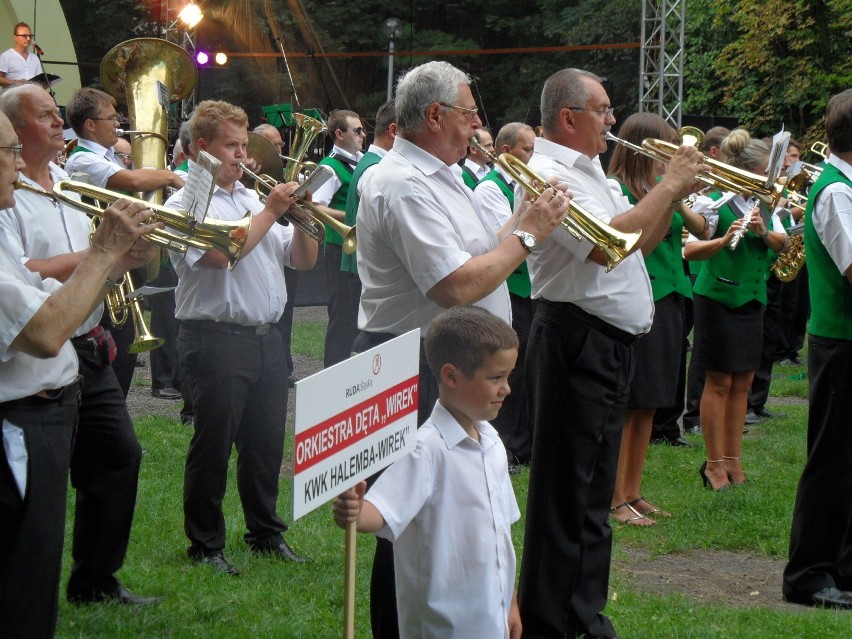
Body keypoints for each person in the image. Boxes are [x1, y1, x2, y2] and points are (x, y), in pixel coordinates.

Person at [354, 60, 569, 639]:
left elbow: (480, 257)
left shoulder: (445, 174)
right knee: (403, 523)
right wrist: (529, 236)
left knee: (452, 511)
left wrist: (526, 218)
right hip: (411, 365)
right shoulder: (400, 182)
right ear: (435, 115)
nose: (478, 127)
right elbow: (454, 287)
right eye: (471, 114)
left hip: (446, 360)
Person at [517, 68, 706, 639]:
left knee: (593, 497)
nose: (613, 119)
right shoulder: (546, 172)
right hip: (576, 338)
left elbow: (638, 245)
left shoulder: (594, 170)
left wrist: (670, 196)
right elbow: (604, 250)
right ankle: (554, 623)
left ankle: (584, 616)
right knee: (565, 495)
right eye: (602, 109)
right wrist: (668, 186)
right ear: (569, 117)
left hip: (604, 342)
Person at [0, 108, 160, 638]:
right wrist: (102, 252)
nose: (17, 163)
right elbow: (40, 321)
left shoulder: (64, 183)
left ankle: (95, 577)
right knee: (25, 567)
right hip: (25, 395)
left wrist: (117, 260)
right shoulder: (10, 208)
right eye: (10, 151)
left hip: (73, 367)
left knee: (111, 465)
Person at [166, 100, 317, 576]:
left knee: (265, 443)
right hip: (215, 338)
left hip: (266, 337)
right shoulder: (184, 204)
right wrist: (273, 211)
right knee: (214, 443)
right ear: (201, 148)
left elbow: (301, 261)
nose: (241, 155)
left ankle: (265, 533)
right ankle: (205, 545)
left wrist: (307, 219)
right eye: (231, 146)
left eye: (243, 144)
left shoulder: (251, 199)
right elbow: (220, 256)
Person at [333, 305, 523, 639]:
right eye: (495, 378)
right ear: (451, 376)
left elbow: (500, 539)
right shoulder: (425, 451)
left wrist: (509, 602)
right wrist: (354, 511)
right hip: (441, 626)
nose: (506, 388)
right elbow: (381, 512)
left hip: (490, 621)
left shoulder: (492, 444)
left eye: (507, 376)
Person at [606, 113, 711, 525]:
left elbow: (698, 230)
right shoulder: (620, 191)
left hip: (671, 296)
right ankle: (615, 497)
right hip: (643, 294)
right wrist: (668, 194)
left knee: (650, 402)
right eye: (666, 147)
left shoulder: (658, 190)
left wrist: (677, 193)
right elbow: (640, 247)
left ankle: (633, 491)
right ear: (645, 148)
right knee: (632, 403)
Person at [683, 128, 787, 491]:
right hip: (718, 299)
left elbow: (782, 243)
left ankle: (733, 460)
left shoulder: (765, 203)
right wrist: (723, 240)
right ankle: (713, 464)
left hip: (753, 299)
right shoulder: (714, 201)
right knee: (720, 381)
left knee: (744, 380)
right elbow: (690, 250)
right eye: (762, 173)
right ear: (744, 171)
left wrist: (760, 232)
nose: (767, 180)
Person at [64, 87, 185, 396]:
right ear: (90, 124)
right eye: (111, 117)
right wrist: (170, 177)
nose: (117, 122)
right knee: (113, 340)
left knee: (124, 339)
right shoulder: (82, 160)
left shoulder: (106, 157)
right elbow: (131, 182)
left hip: (120, 258)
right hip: (102, 260)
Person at [782, 88, 852, 611]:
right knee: (831, 459)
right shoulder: (835, 193)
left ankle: (845, 565)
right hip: (840, 342)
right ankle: (808, 573)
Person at [473, 122, 537, 469]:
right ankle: (507, 443)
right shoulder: (490, 189)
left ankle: (525, 442)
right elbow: (509, 240)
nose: (534, 157)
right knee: (509, 369)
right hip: (510, 286)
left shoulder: (522, 184)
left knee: (528, 370)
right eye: (528, 150)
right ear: (507, 152)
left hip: (531, 287)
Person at [313, 109, 365, 367]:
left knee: (359, 317)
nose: (362, 135)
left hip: (360, 249)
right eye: (357, 131)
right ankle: (332, 376)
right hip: (339, 248)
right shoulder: (329, 167)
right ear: (339, 134)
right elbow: (314, 206)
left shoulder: (362, 161)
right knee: (342, 318)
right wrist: (350, 215)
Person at [254, 122, 299, 387]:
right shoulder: (255, 188)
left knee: (286, 311)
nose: (281, 149)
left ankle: (285, 362)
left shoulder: (277, 177)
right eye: (275, 144)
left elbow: (303, 260)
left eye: (281, 144)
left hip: (280, 245)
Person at [0, 23, 43, 89]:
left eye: (30, 36)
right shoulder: (6, 56)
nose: (28, 39)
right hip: (12, 97)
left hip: (31, 96)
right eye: (24, 36)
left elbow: (40, 81)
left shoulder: (35, 58)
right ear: (15, 38)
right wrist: (15, 82)